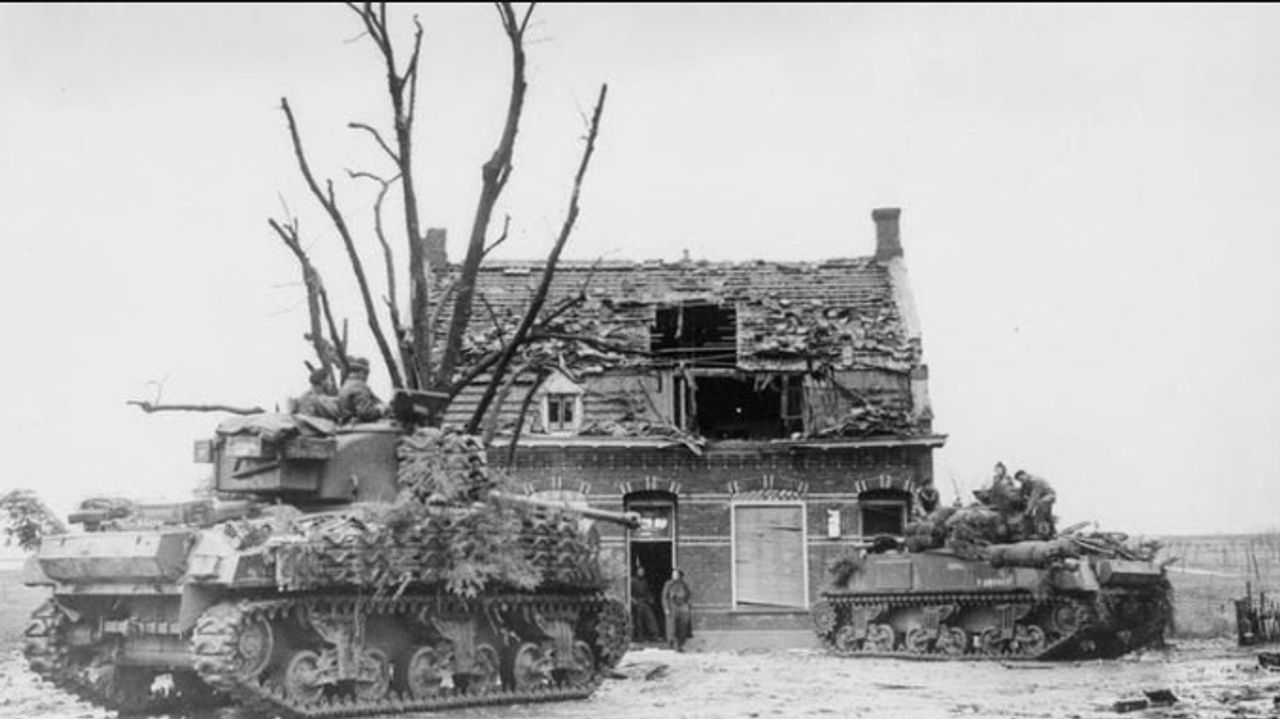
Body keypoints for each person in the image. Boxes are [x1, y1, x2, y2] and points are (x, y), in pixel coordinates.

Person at [337, 357, 385, 424]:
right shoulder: (359, 386)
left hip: (347, 425)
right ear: (361, 372)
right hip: (357, 427)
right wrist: (380, 410)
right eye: (366, 374)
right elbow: (365, 412)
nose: (367, 377)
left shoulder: (346, 384)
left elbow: (375, 400)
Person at [1014, 470, 1057, 539]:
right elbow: (1020, 494)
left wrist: (1028, 511)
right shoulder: (1025, 485)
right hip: (1039, 499)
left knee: (1040, 509)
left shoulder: (1036, 481)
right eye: (1020, 480)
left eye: (1022, 479)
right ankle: (1052, 532)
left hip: (1048, 495)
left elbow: (1034, 497)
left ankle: (1042, 533)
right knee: (1046, 515)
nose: (1022, 481)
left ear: (1026, 474)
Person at [661, 567, 693, 652]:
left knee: (683, 627)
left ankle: (680, 645)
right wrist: (666, 608)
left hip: (682, 607)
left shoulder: (684, 585)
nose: (674, 576)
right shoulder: (668, 584)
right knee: (672, 627)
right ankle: (673, 645)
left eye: (676, 574)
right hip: (672, 607)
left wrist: (687, 605)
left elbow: (689, 595)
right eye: (673, 574)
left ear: (680, 575)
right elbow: (664, 597)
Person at [630, 567, 661, 642]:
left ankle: (655, 635)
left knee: (651, 618)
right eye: (640, 571)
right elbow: (628, 593)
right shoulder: (632, 581)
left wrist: (650, 599)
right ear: (637, 572)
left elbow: (647, 592)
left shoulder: (644, 581)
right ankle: (639, 637)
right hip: (636, 603)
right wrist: (633, 601)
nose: (641, 573)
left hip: (644, 602)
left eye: (642, 571)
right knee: (638, 620)